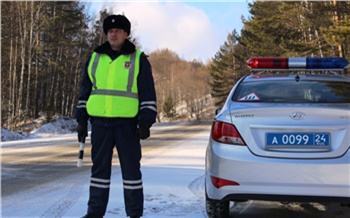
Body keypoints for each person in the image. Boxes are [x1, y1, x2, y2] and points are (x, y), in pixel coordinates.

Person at [75, 14, 157, 218]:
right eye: (110, 31)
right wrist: (81, 120)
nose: (113, 34)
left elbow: (147, 93)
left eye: (118, 31)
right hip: (100, 124)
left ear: (126, 34)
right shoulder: (95, 57)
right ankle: (94, 212)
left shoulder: (138, 59)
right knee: (99, 172)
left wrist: (146, 122)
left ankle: (134, 213)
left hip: (127, 125)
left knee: (131, 172)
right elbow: (85, 91)